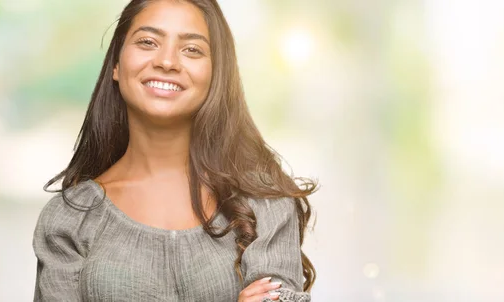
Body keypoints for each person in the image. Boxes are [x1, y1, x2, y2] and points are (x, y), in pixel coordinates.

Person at [32, 0, 318, 301]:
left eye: (192, 49)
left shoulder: (264, 202)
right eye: (147, 42)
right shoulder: (69, 220)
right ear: (116, 64)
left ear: (216, 75)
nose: (167, 62)